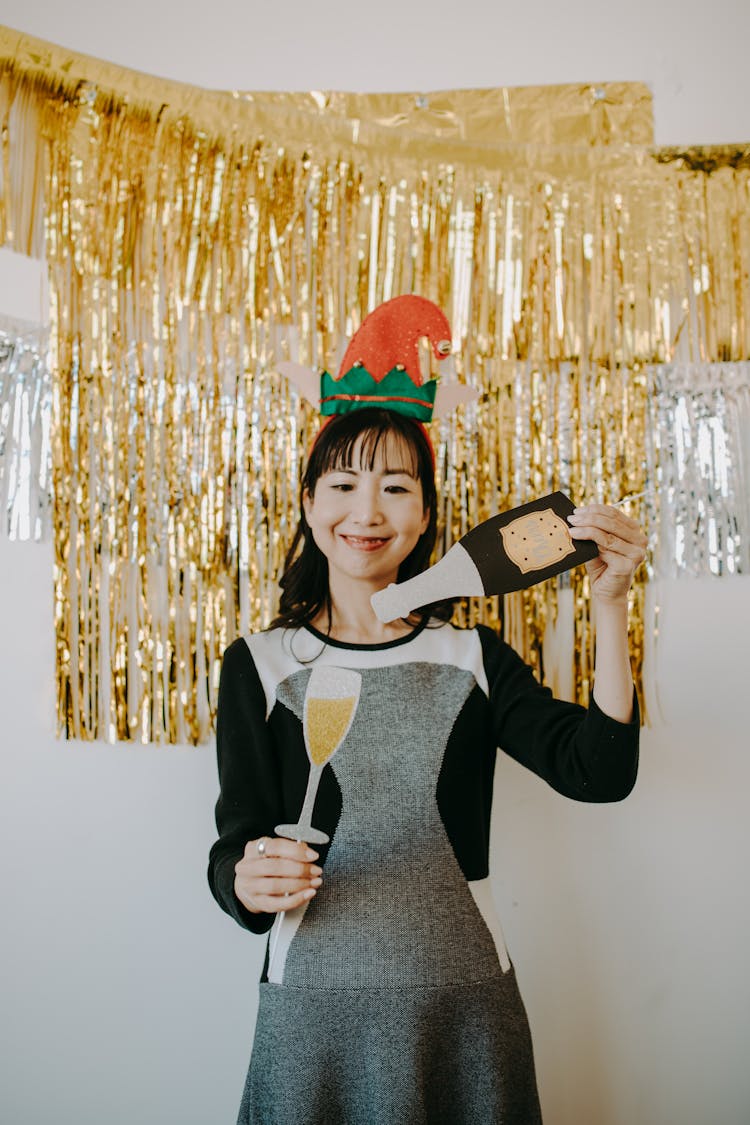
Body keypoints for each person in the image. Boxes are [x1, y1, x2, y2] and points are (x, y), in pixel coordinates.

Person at [208, 297, 646, 1125]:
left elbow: (600, 773)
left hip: (465, 1008)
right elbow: (235, 842)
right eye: (342, 483)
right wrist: (244, 875)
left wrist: (614, 604)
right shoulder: (259, 666)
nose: (365, 510)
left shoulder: (471, 657)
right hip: (311, 1016)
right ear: (309, 502)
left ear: (425, 512)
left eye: (394, 486)